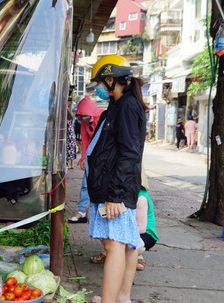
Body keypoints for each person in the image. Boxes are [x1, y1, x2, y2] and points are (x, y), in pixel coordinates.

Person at [86, 54, 147, 303]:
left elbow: (129, 153)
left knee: (114, 246)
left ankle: (111, 301)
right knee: (127, 243)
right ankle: (121, 297)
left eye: (100, 83)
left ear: (111, 80)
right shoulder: (119, 105)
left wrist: (114, 196)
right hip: (115, 188)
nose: (99, 89)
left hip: (115, 191)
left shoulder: (128, 106)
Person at [90, 167, 160, 272]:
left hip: (143, 233)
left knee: (129, 244)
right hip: (127, 227)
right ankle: (114, 254)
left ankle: (134, 256)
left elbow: (141, 228)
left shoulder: (141, 197)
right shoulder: (121, 192)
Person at [68, 96, 104, 223]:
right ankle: (82, 212)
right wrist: (83, 158)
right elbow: (85, 140)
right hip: (91, 157)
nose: (82, 118)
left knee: (102, 186)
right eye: (80, 115)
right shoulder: (84, 121)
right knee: (85, 184)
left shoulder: (103, 116)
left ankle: (100, 214)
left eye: (84, 115)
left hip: (104, 158)